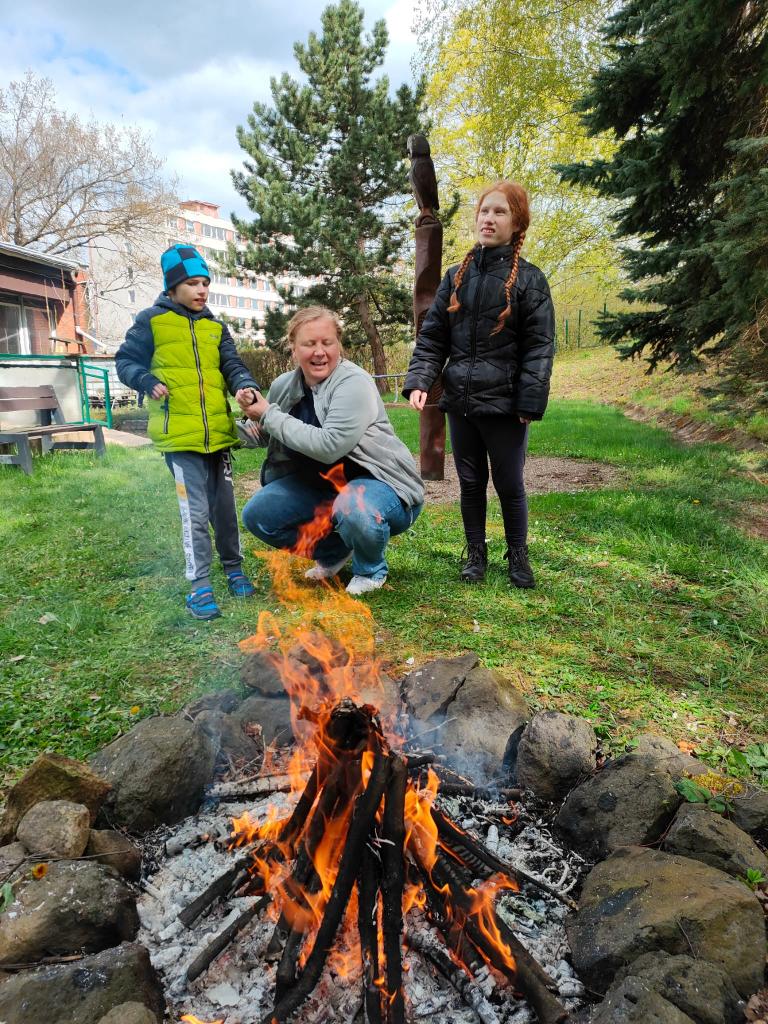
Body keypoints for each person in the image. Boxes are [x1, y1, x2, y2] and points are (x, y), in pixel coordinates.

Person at [403, 181, 555, 588]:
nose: (489, 219)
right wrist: (420, 380)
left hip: (506, 406)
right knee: (470, 484)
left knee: (509, 484)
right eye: (484, 211)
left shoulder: (531, 281)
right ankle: (475, 554)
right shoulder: (455, 277)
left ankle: (518, 555)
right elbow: (433, 336)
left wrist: (529, 401)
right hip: (461, 403)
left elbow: (540, 348)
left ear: (517, 223)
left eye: (500, 212)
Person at [116, 243, 262, 620]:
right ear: (172, 286)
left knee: (225, 511)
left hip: (218, 435)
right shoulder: (151, 321)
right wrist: (146, 380)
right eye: (193, 283)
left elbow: (233, 366)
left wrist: (244, 387)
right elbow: (125, 361)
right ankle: (199, 586)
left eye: (205, 283)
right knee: (195, 513)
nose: (202, 291)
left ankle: (234, 569)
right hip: (180, 440)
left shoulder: (216, 327)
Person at [238, 306, 424, 596]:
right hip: (321, 488)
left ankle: (371, 569)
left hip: (385, 488)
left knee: (353, 507)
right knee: (258, 515)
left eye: (327, 342)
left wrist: (268, 415)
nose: (319, 352)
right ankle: (334, 551)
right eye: (309, 344)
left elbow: (330, 446)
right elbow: (265, 432)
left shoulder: (354, 383)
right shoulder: (283, 386)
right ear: (293, 349)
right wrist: (240, 424)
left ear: (339, 345)